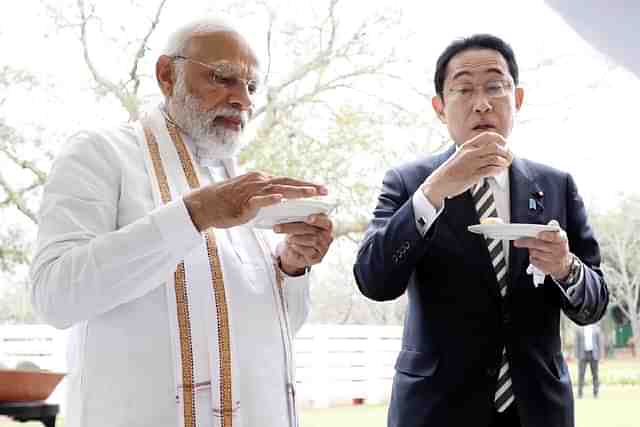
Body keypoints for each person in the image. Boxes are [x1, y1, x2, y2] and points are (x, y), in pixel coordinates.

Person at [30, 19, 334, 427]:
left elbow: (274, 333)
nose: (242, 99)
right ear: (166, 75)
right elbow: (55, 296)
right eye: (223, 77)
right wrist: (195, 215)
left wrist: (291, 267)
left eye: (251, 87)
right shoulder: (101, 153)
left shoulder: (238, 186)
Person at [353, 34, 609, 427]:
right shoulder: (409, 182)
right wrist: (433, 193)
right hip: (435, 410)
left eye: (495, 86)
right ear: (440, 107)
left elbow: (594, 305)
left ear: (517, 99)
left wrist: (565, 267)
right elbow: (374, 280)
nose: (482, 102)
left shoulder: (557, 185)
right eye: (463, 89)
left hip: (538, 410)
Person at [575, 323, 604, 398]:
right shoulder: (579, 328)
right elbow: (576, 342)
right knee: (581, 374)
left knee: (595, 374)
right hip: (583, 354)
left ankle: (596, 393)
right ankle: (579, 393)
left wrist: (601, 355)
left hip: (593, 354)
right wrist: (577, 355)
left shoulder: (596, 329)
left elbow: (600, 343)